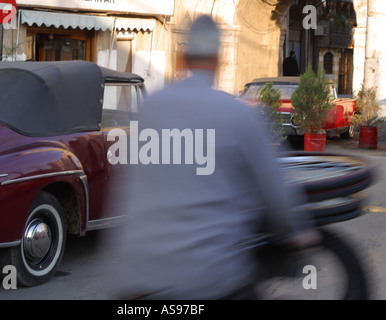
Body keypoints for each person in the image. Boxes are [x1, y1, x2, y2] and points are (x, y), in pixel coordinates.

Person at [106, 15, 319, 300]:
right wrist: (296, 232)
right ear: (218, 60)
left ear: (183, 58)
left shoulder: (150, 109)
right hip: (207, 279)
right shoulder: (237, 112)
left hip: (137, 280)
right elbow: (274, 186)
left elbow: (125, 192)